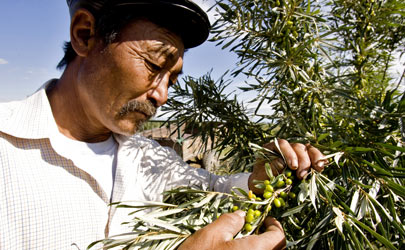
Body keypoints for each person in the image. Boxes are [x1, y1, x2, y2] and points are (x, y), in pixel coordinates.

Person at [0, 0, 326, 249]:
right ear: (85, 34)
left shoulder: (147, 157)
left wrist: (259, 179)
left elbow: (213, 190)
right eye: (154, 65)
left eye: (172, 78)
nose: (162, 95)